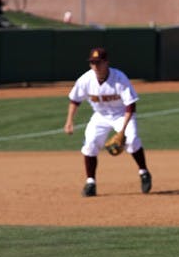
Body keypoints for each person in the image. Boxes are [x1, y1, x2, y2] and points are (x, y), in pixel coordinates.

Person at [64, 47, 152, 197]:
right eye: (92, 63)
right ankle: (90, 182)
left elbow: (131, 105)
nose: (95, 66)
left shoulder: (119, 78)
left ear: (106, 62)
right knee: (90, 143)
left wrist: (122, 131)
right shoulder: (86, 79)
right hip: (100, 116)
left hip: (121, 115)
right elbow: (75, 100)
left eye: (98, 62)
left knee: (132, 139)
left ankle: (144, 172)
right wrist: (69, 121)